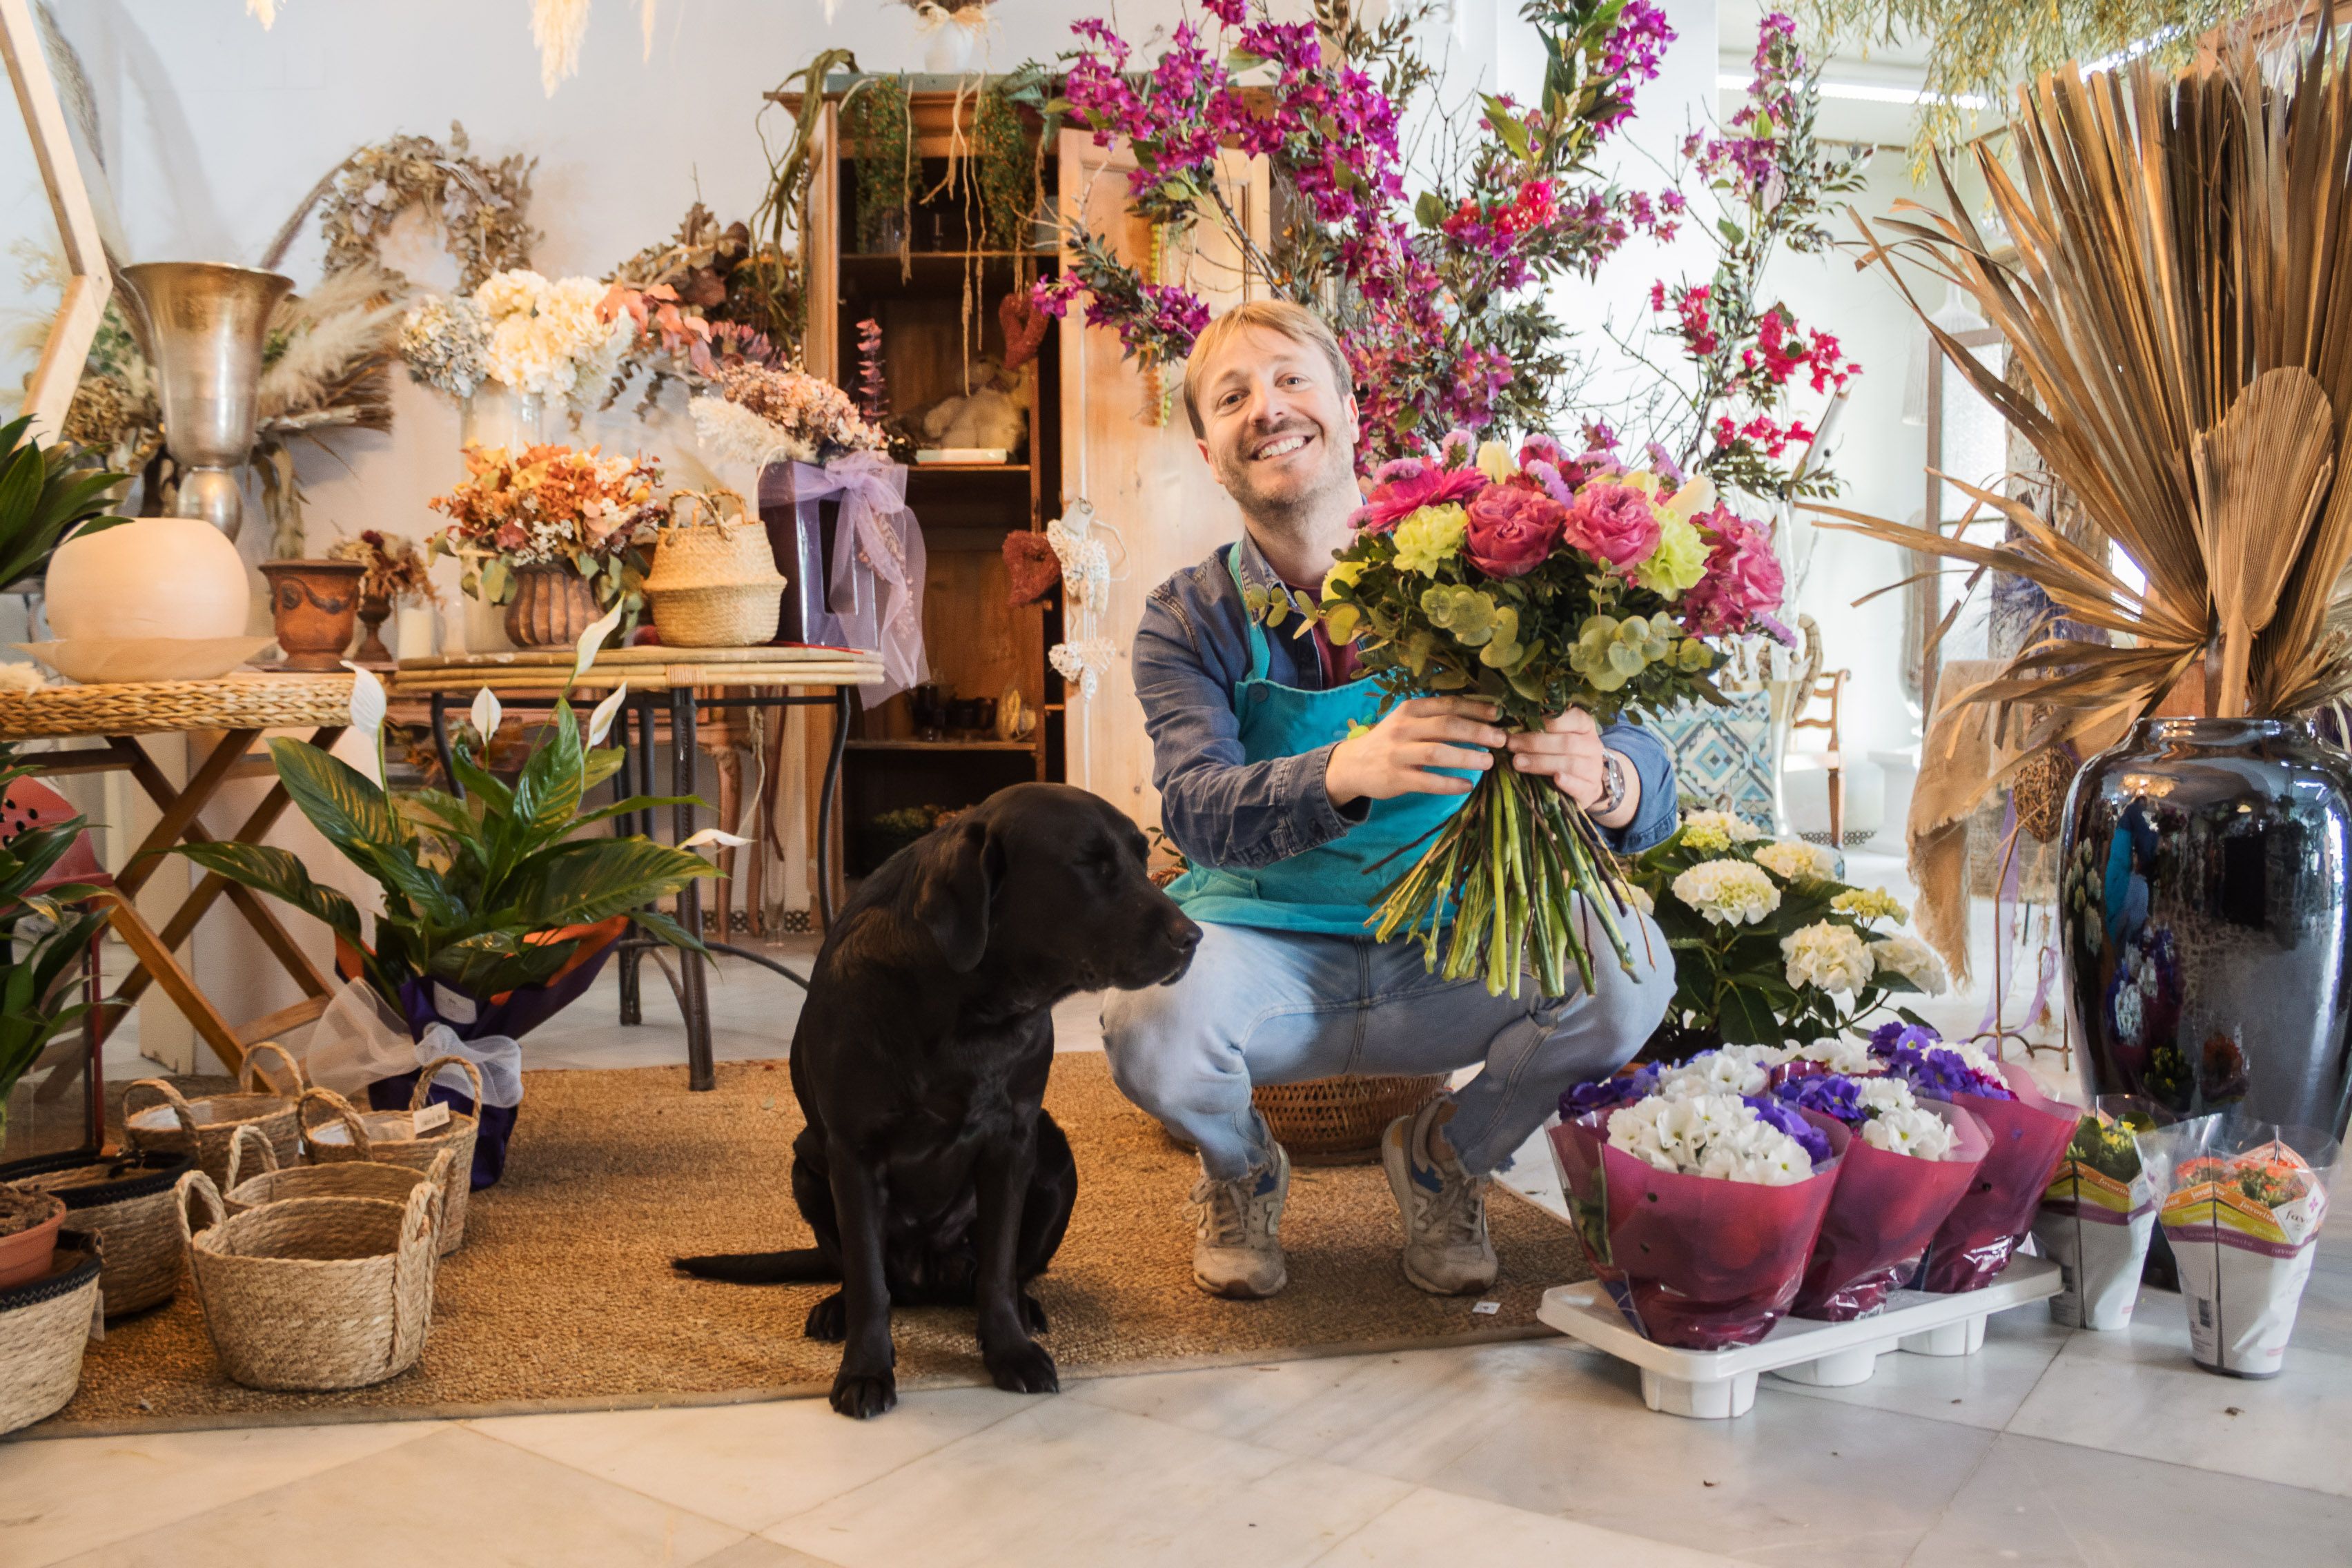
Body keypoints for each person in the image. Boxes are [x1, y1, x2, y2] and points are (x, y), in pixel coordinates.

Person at [1101, 300, 1679, 1301]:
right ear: (1208, 454)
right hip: (1265, 957)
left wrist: (1609, 777)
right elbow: (1193, 809)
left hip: (1453, 946)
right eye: (1232, 397)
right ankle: (1241, 1167)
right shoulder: (1187, 619)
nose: (1266, 409)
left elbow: (1638, 753)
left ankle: (1447, 1156)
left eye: (1291, 379)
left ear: (1349, 407)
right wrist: (1345, 771)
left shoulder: (1479, 570)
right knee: (1144, 1023)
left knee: (1630, 969)